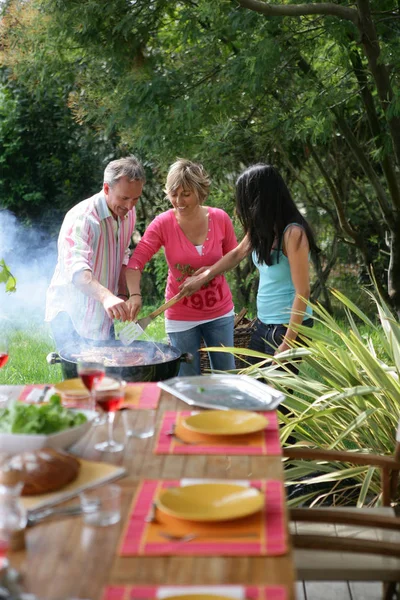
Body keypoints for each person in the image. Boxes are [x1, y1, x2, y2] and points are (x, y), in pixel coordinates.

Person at [180, 163, 318, 369]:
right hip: (263, 324)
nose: (241, 207)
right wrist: (205, 276)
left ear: (260, 199)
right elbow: (237, 253)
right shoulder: (262, 229)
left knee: (276, 398)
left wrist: (288, 342)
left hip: (286, 327)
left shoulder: (293, 233)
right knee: (253, 390)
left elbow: (303, 291)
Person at [126, 158, 238, 376]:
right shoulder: (163, 223)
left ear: (200, 191)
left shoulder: (220, 218)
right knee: (186, 381)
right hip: (180, 316)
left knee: (228, 377)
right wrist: (135, 295)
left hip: (220, 312)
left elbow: (233, 257)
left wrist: (206, 274)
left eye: (186, 194)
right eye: (173, 193)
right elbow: (135, 263)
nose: (179, 201)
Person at [45, 156, 145, 349]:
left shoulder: (128, 214)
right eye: (124, 198)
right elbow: (77, 270)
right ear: (106, 188)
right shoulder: (82, 218)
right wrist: (107, 297)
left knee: (106, 375)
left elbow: (123, 254)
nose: (130, 206)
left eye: (136, 199)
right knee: (79, 379)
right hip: (71, 315)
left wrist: (123, 294)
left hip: (102, 315)